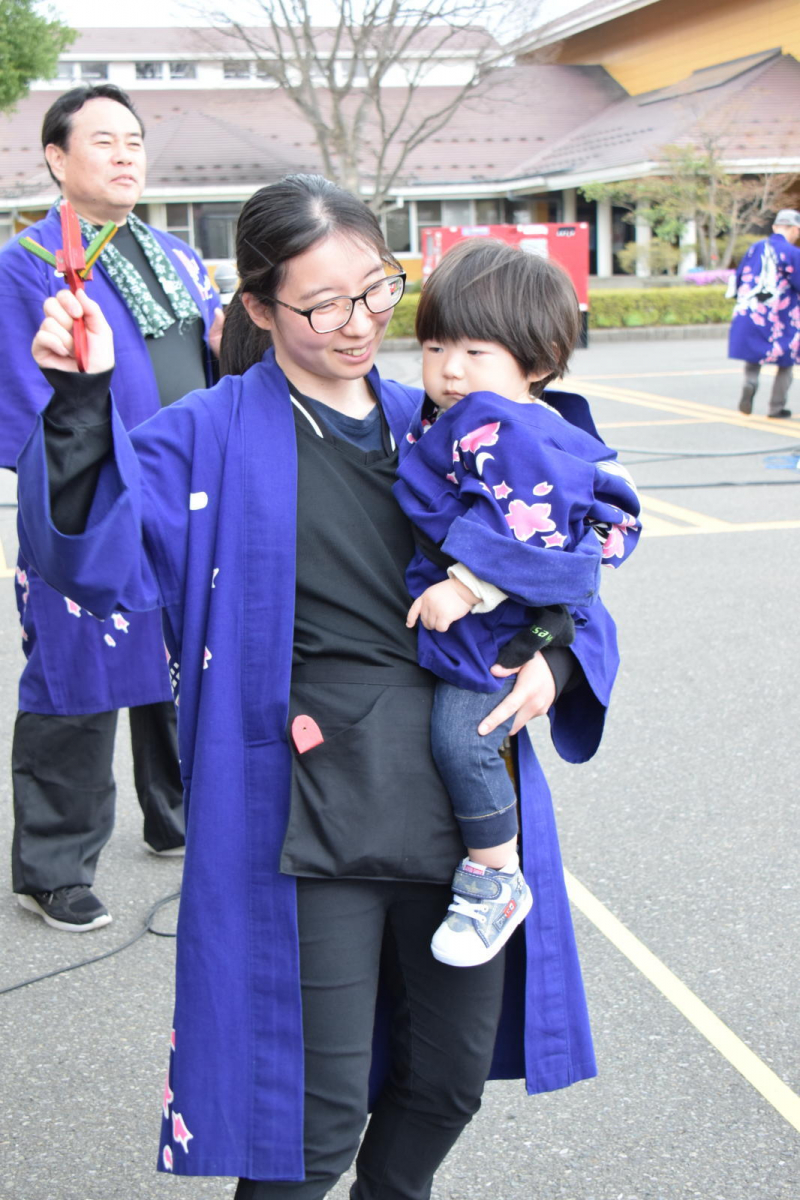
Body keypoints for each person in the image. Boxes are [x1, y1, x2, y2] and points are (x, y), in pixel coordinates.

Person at [18, 175, 624, 1195]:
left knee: (446, 1080)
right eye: (321, 304)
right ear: (257, 308)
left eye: (375, 291)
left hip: (460, 804)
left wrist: (558, 660)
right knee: (310, 1121)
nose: (358, 325)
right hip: (308, 817)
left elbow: (563, 552)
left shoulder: (444, 417)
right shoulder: (206, 432)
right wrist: (81, 398)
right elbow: (94, 557)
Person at [0, 83, 223, 931]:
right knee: (77, 675)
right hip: (90, 500)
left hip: (183, 495)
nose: (127, 153)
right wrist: (89, 480)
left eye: (134, 139)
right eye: (104, 140)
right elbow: (25, 398)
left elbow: (209, 370)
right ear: (57, 159)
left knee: (182, 660)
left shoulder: (175, 255)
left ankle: (177, 817)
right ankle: (53, 868)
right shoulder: (25, 265)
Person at [395, 238, 640, 969]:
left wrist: (469, 585)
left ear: (536, 363)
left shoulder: (508, 430)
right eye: (435, 347)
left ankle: (495, 875)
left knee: (463, 737)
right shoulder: (474, 417)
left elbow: (532, 528)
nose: (449, 368)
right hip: (506, 615)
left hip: (501, 621)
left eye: (476, 351)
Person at [729, 208, 800, 419]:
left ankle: (750, 382)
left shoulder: (755, 248)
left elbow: (739, 277)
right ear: (796, 229)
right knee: (786, 360)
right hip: (782, 315)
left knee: (754, 354)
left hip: (752, 312)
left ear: (775, 227)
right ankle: (776, 408)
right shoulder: (793, 253)